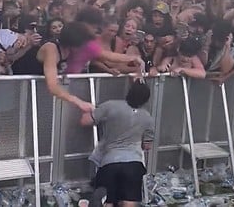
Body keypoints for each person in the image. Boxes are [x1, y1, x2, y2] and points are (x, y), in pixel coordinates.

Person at [36, 20, 144, 112]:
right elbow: (53, 86)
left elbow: (107, 55)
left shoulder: (76, 46)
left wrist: (132, 58)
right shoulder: (51, 49)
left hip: (49, 93)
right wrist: (79, 102)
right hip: (33, 90)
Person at [80, 79, 154, 207]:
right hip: (134, 164)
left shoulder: (110, 106)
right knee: (129, 202)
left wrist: (91, 110)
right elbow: (147, 146)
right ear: (145, 100)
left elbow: (84, 121)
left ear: (128, 92)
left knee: (108, 201)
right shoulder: (148, 118)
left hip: (110, 162)